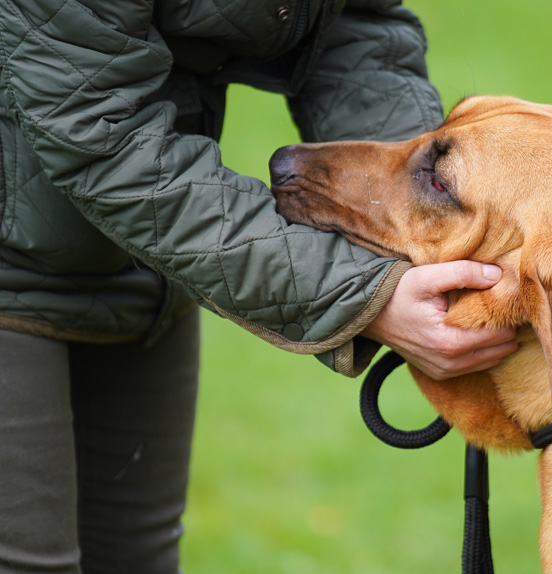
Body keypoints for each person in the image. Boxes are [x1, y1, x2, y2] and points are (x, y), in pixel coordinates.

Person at [0, 0, 517, 572]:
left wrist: (418, 226)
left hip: (146, 248)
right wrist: (365, 293)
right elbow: (98, 131)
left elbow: (355, 27)